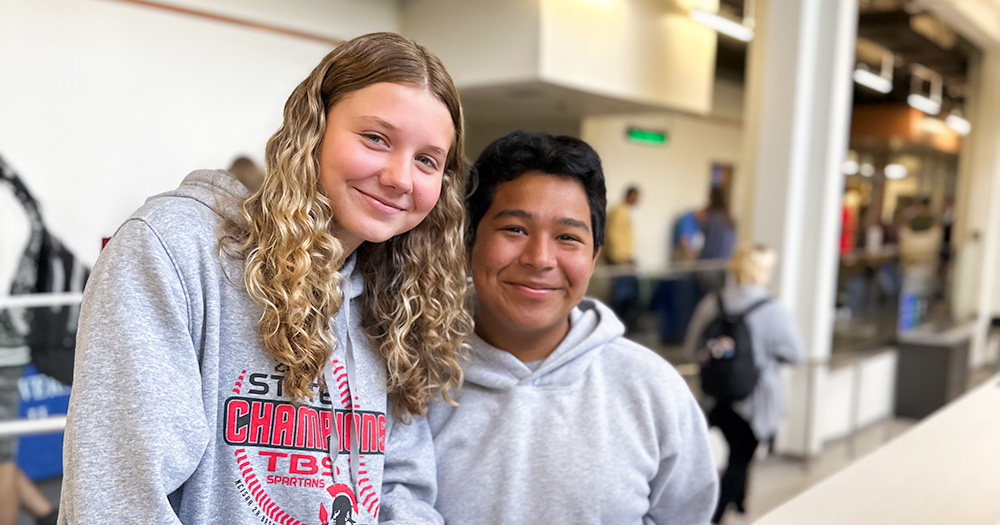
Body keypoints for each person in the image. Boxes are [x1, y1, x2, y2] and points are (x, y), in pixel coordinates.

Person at [60, 32, 472, 524]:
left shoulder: (396, 297)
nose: (401, 178)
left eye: (427, 160)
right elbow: (119, 500)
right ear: (313, 128)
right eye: (376, 138)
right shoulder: (174, 249)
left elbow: (401, 485)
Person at [429, 130, 718, 524]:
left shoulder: (653, 391)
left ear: (595, 257)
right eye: (515, 229)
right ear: (467, 242)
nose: (540, 258)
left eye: (567, 237)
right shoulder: (413, 381)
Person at [683, 244, 804, 524]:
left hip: (715, 397)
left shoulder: (712, 303)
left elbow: (692, 349)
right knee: (740, 459)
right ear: (762, 272)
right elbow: (796, 354)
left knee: (735, 455)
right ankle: (714, 516)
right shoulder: (772, 310)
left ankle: (740, 506)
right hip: (753, 400)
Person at [604, 185, 642, 332]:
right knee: (620, 296)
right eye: (637, 196)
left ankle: (625, 325)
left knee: (629, 294)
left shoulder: (624, 211)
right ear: (630, 195)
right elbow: (613, 236)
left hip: (625, 259)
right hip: (620, 260)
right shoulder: (619, 212)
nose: (638, 200)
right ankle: (618, 325)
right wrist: (622, 258)